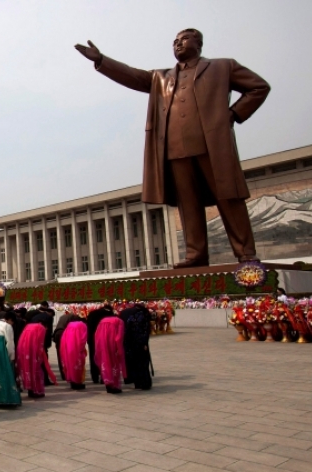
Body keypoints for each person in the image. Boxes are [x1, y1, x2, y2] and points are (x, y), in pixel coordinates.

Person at [75, 29, 270, 267]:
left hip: (212, 145)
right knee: (188, 203)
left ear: (198, 43)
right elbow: (133, 76)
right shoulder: (162, 77)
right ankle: (195, 255)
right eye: (175, 41)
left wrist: (233, 114)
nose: (178, 43)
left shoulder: (222, 67)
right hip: (174, 149)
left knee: (229, 197)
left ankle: (245, 253)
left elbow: (259, 87)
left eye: (184, 39)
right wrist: (101, 60)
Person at [17, 320, 57, 398]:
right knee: (36, 371)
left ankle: (30, 391)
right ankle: (36, 391)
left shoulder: (28, 327)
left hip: (23, 350)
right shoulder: (41, 328)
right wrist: (40, 356)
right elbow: (40, 343)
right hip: (33, 352)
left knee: (27, 370)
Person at [121, 304, 153, 390]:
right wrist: (144, 343)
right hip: (140, 343)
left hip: (132, 343)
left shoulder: (131, 317)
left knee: (134, 363)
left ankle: (137, 383)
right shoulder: (144, 316)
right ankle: (145, 383)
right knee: (143, 363)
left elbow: (128, 332)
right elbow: (145, 332)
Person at [94, 316, 127, 394]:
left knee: (105, 362)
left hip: (102, 343)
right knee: (114, 364)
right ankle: (114, 386)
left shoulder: (102, 321)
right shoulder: (119, 322)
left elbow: (97, 334)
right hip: (112, 344)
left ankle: (108, 384)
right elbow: (119, 337)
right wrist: (119, 349)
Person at [86, 304, 115, 384]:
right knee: (105, 358)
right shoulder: (109, 314)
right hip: (104, 339)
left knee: (93, 358)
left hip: (92, 339)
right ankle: (104, 377)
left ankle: (95, 377)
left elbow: (88, 326)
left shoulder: (92, 313)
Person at [53, 312, 83, 381]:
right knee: (68, 354)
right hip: (64, 333)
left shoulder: (63, 316)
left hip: (57, 333)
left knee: (60, 354)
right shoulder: (74, 317)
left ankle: (63, 374)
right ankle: (69, 373)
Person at [60, 321, 88, 390]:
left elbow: (63, 339)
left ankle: (72, 382)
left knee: (70, 365)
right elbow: (83, 339)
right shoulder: (82, 326)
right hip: (77, 349)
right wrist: (82, 349)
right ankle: (77, 382)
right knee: (77, 365)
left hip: (67, 348)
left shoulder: (69, 327)